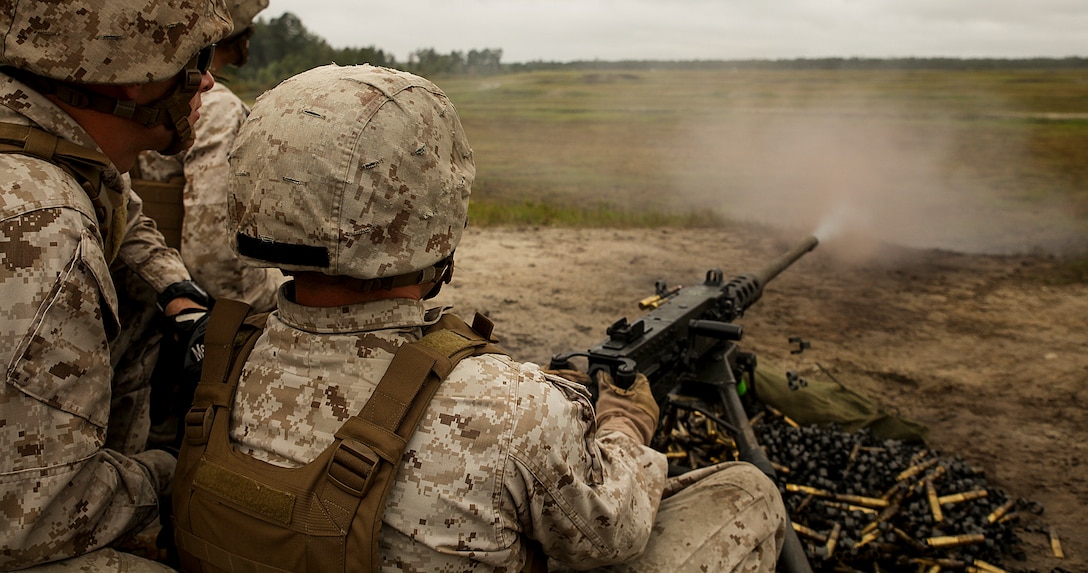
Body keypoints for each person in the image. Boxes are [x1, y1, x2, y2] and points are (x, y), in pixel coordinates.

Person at [172, 64, 787, 572]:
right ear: (432, 214)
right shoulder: (516, 409)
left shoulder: (219, 354)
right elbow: (610, 535)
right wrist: (625, 428)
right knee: (748, 493)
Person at [0, 0, 232, 570]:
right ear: (134, 69)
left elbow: (124, 208)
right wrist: (168, 471)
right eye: (194, 58)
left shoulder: (44, 146)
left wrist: (176, 292)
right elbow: (36, 519)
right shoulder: (43, 228)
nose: (208, 80)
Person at [129, 0, 284, 312]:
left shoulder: (134, 91)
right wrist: (271, 307)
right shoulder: (217, 108)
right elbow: (213, 259)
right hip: (170, 318)